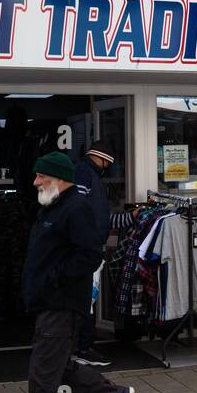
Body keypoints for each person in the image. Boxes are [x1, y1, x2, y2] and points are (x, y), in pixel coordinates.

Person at [11, 151, 134, 393]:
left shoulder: (75, 208)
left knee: (42, 374)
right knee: (60, 367)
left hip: (61, 305)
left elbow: (90, 254)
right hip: (49, 303)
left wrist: (55, 279)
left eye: (42, 177)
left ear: (61, 180)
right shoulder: (53, 206)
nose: (35, 181)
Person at [73, 139, 116, 367]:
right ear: (101, 158)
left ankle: (82, 346)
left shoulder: (87, 174)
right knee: (86, 299)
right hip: (88, 248)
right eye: (107, 163)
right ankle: (84, 347)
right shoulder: (85, 174)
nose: (108, 167)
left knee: (87, 299)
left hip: (88, 246)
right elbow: (80, 209)